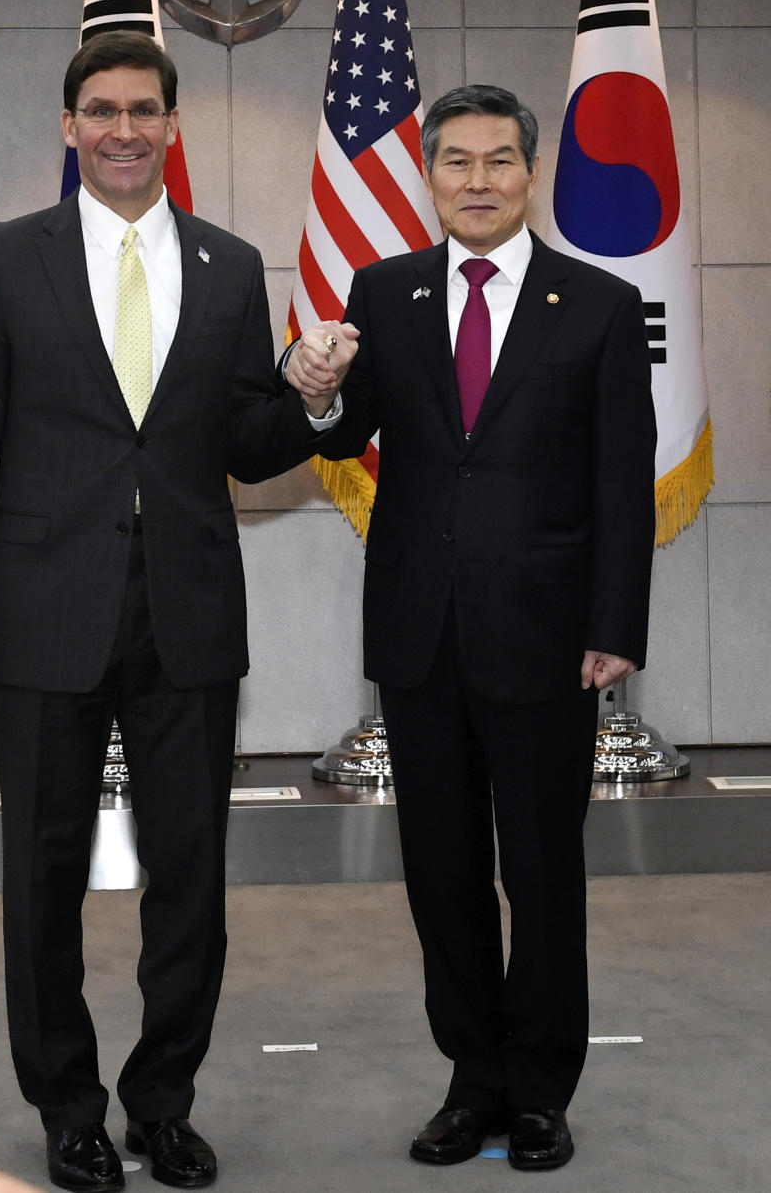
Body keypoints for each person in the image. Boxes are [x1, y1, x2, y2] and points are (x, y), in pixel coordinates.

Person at [0, 30, 355, 1193]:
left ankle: (164, 1102)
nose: (123, 129)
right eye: (101, 110)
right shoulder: (4, 260)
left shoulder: (229, 263)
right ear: (70, 128)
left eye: (144, 110)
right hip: (36, 620)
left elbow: (248, 445)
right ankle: (67, 1110)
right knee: (41, 877)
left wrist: (313, 399)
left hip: (188, 621)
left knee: (191, 875)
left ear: (172, 126)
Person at [287, 84, 656, 1172]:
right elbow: (346, 428)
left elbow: (622, 483)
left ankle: (540, 1089)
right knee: (439, 873)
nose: (479, 181)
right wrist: (314, 391)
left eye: (500, 161)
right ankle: (472, 1078)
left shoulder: (596, 302)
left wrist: (615, 624)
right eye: (457, 162)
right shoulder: (384, 292)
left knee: (541, 875)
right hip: (419, 636)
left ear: (530, 175)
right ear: (430, 175)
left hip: (550, 638)